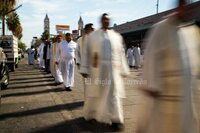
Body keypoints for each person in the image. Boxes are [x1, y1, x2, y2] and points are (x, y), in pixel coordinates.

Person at [135, 0, 199, 133]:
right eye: (183, 5)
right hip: (165, 96)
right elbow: (151, 59)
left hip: (186, 96)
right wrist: (151, 87)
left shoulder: (191, 31)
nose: (187, 8)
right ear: (178, 6)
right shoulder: (161, 28)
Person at [80, 13, 129, 131]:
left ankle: (116, 119)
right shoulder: (93, 36)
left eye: (108, 20)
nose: (106, 21)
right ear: (101, 21)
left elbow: (121, 52)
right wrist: (85, 68)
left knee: (113, 95)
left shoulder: (116, 36)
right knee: (96, 94)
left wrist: (123, 69)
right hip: (97, 70)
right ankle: (92, 114)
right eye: (104, 20)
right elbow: (86, 52)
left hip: (113, 70)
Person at [76, 23, 94, 99]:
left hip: (96, 66)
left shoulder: (97, 38)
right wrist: (79, 65)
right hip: (85, 67)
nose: (93, 30)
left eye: (93, 29)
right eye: (91, 29)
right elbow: (77, 53)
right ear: (86, 30)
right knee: (87, 84)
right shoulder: (80, 40)